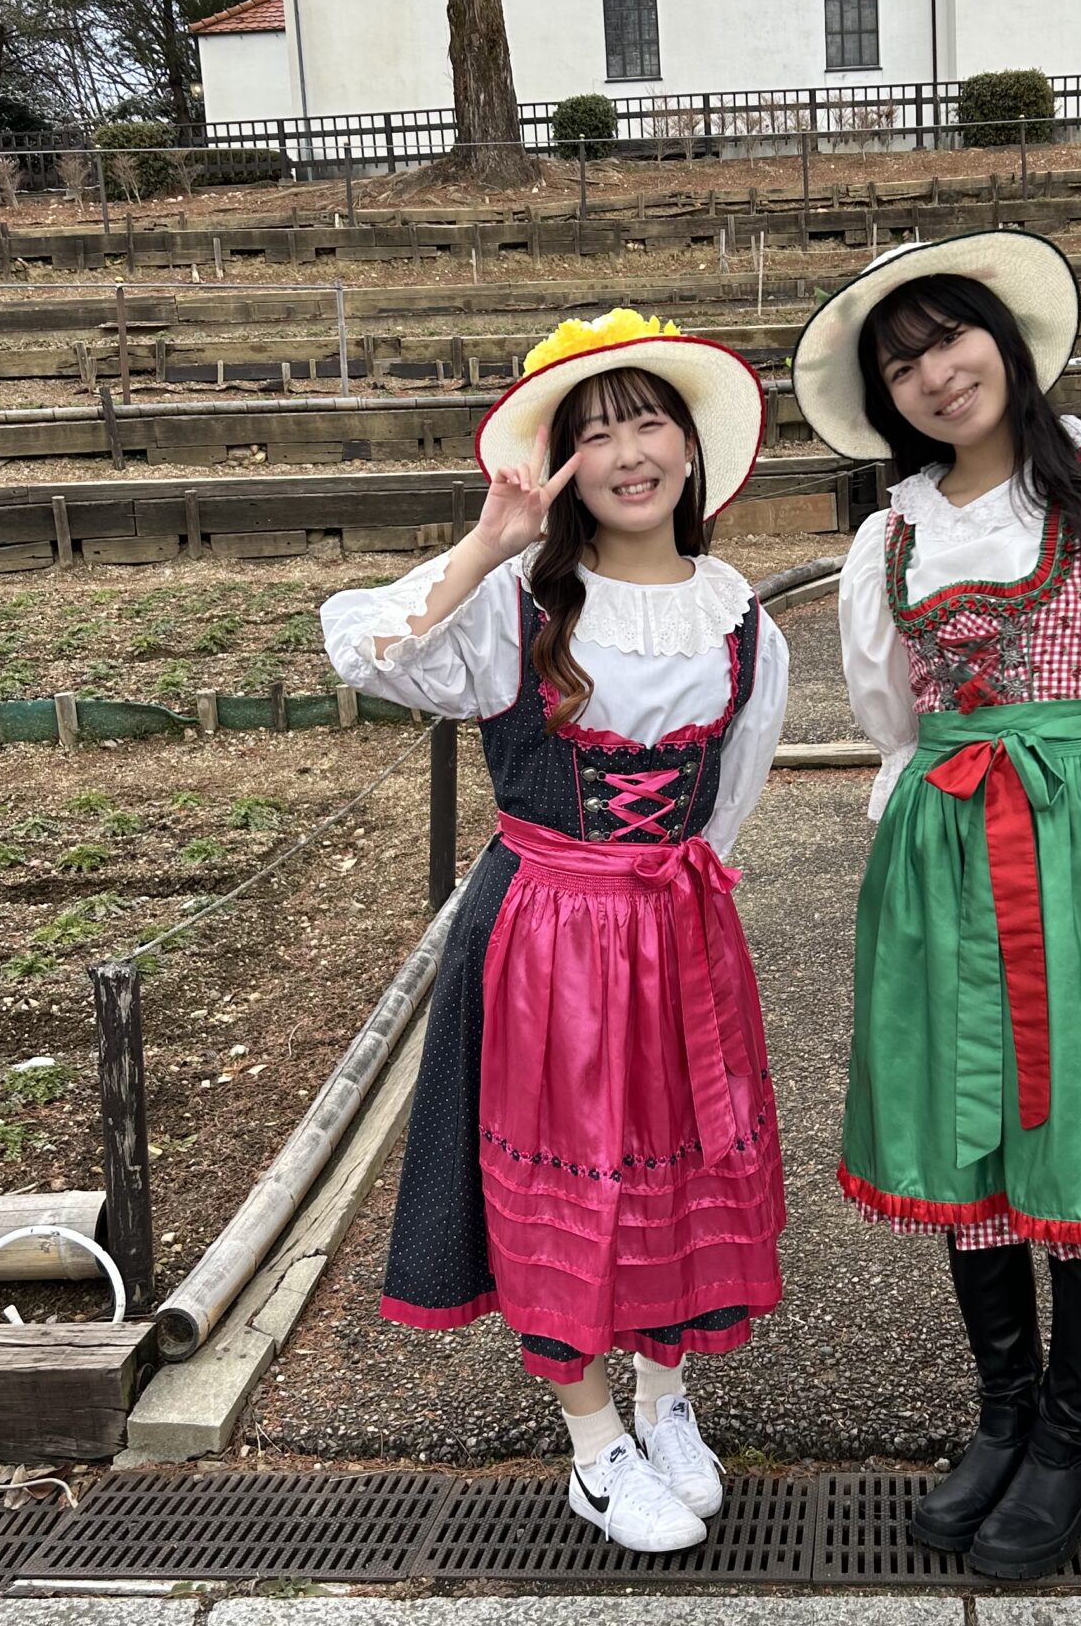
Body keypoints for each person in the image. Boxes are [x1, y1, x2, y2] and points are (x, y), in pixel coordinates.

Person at [792, 232, 1081, 1580]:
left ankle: (1070, 1443)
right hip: (940, 851)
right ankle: (1001, 1418)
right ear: (885, 400)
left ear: (1002, 339)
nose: (936, 373)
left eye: (950, 338)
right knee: (964, 1137)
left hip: (1080, 843)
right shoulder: (889, 537)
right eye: (903, 363)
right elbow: (896, 721)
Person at [322, 310, 789, 1555]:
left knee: (671, 1166)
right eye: (595, 435)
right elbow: (361, 646)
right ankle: (592, 1446)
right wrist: (485, 544)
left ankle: (666, 1400)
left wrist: (672, 907)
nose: (629, 453)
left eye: (649, 422)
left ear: (692, 446)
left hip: (678, 934)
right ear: (559, 467)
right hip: (542, 937)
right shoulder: (519, 607)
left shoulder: (747, 623)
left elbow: (729, 798)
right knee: (563, 1174)